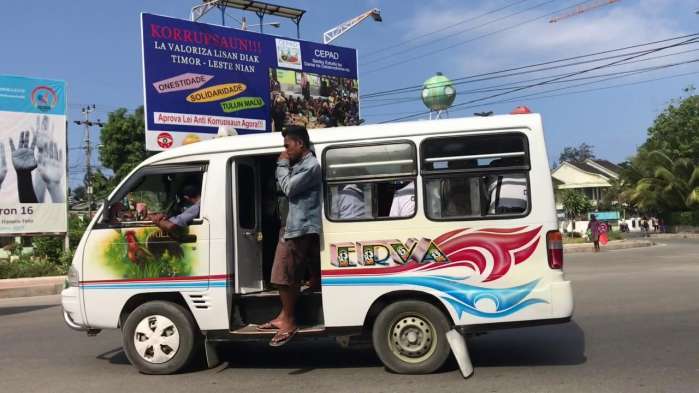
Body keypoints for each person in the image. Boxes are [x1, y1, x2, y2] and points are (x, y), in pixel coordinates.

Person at [260, 125, 321, 347]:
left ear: (300, 144)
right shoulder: (302, 165)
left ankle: (288, 321)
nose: (285, 150)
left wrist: (281, 163)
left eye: (287, 145)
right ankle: (283, 316)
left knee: (281, 275)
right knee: (291, 276)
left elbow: (288, 187)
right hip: (293, 226)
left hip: (299, 228)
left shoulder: (311, 165)